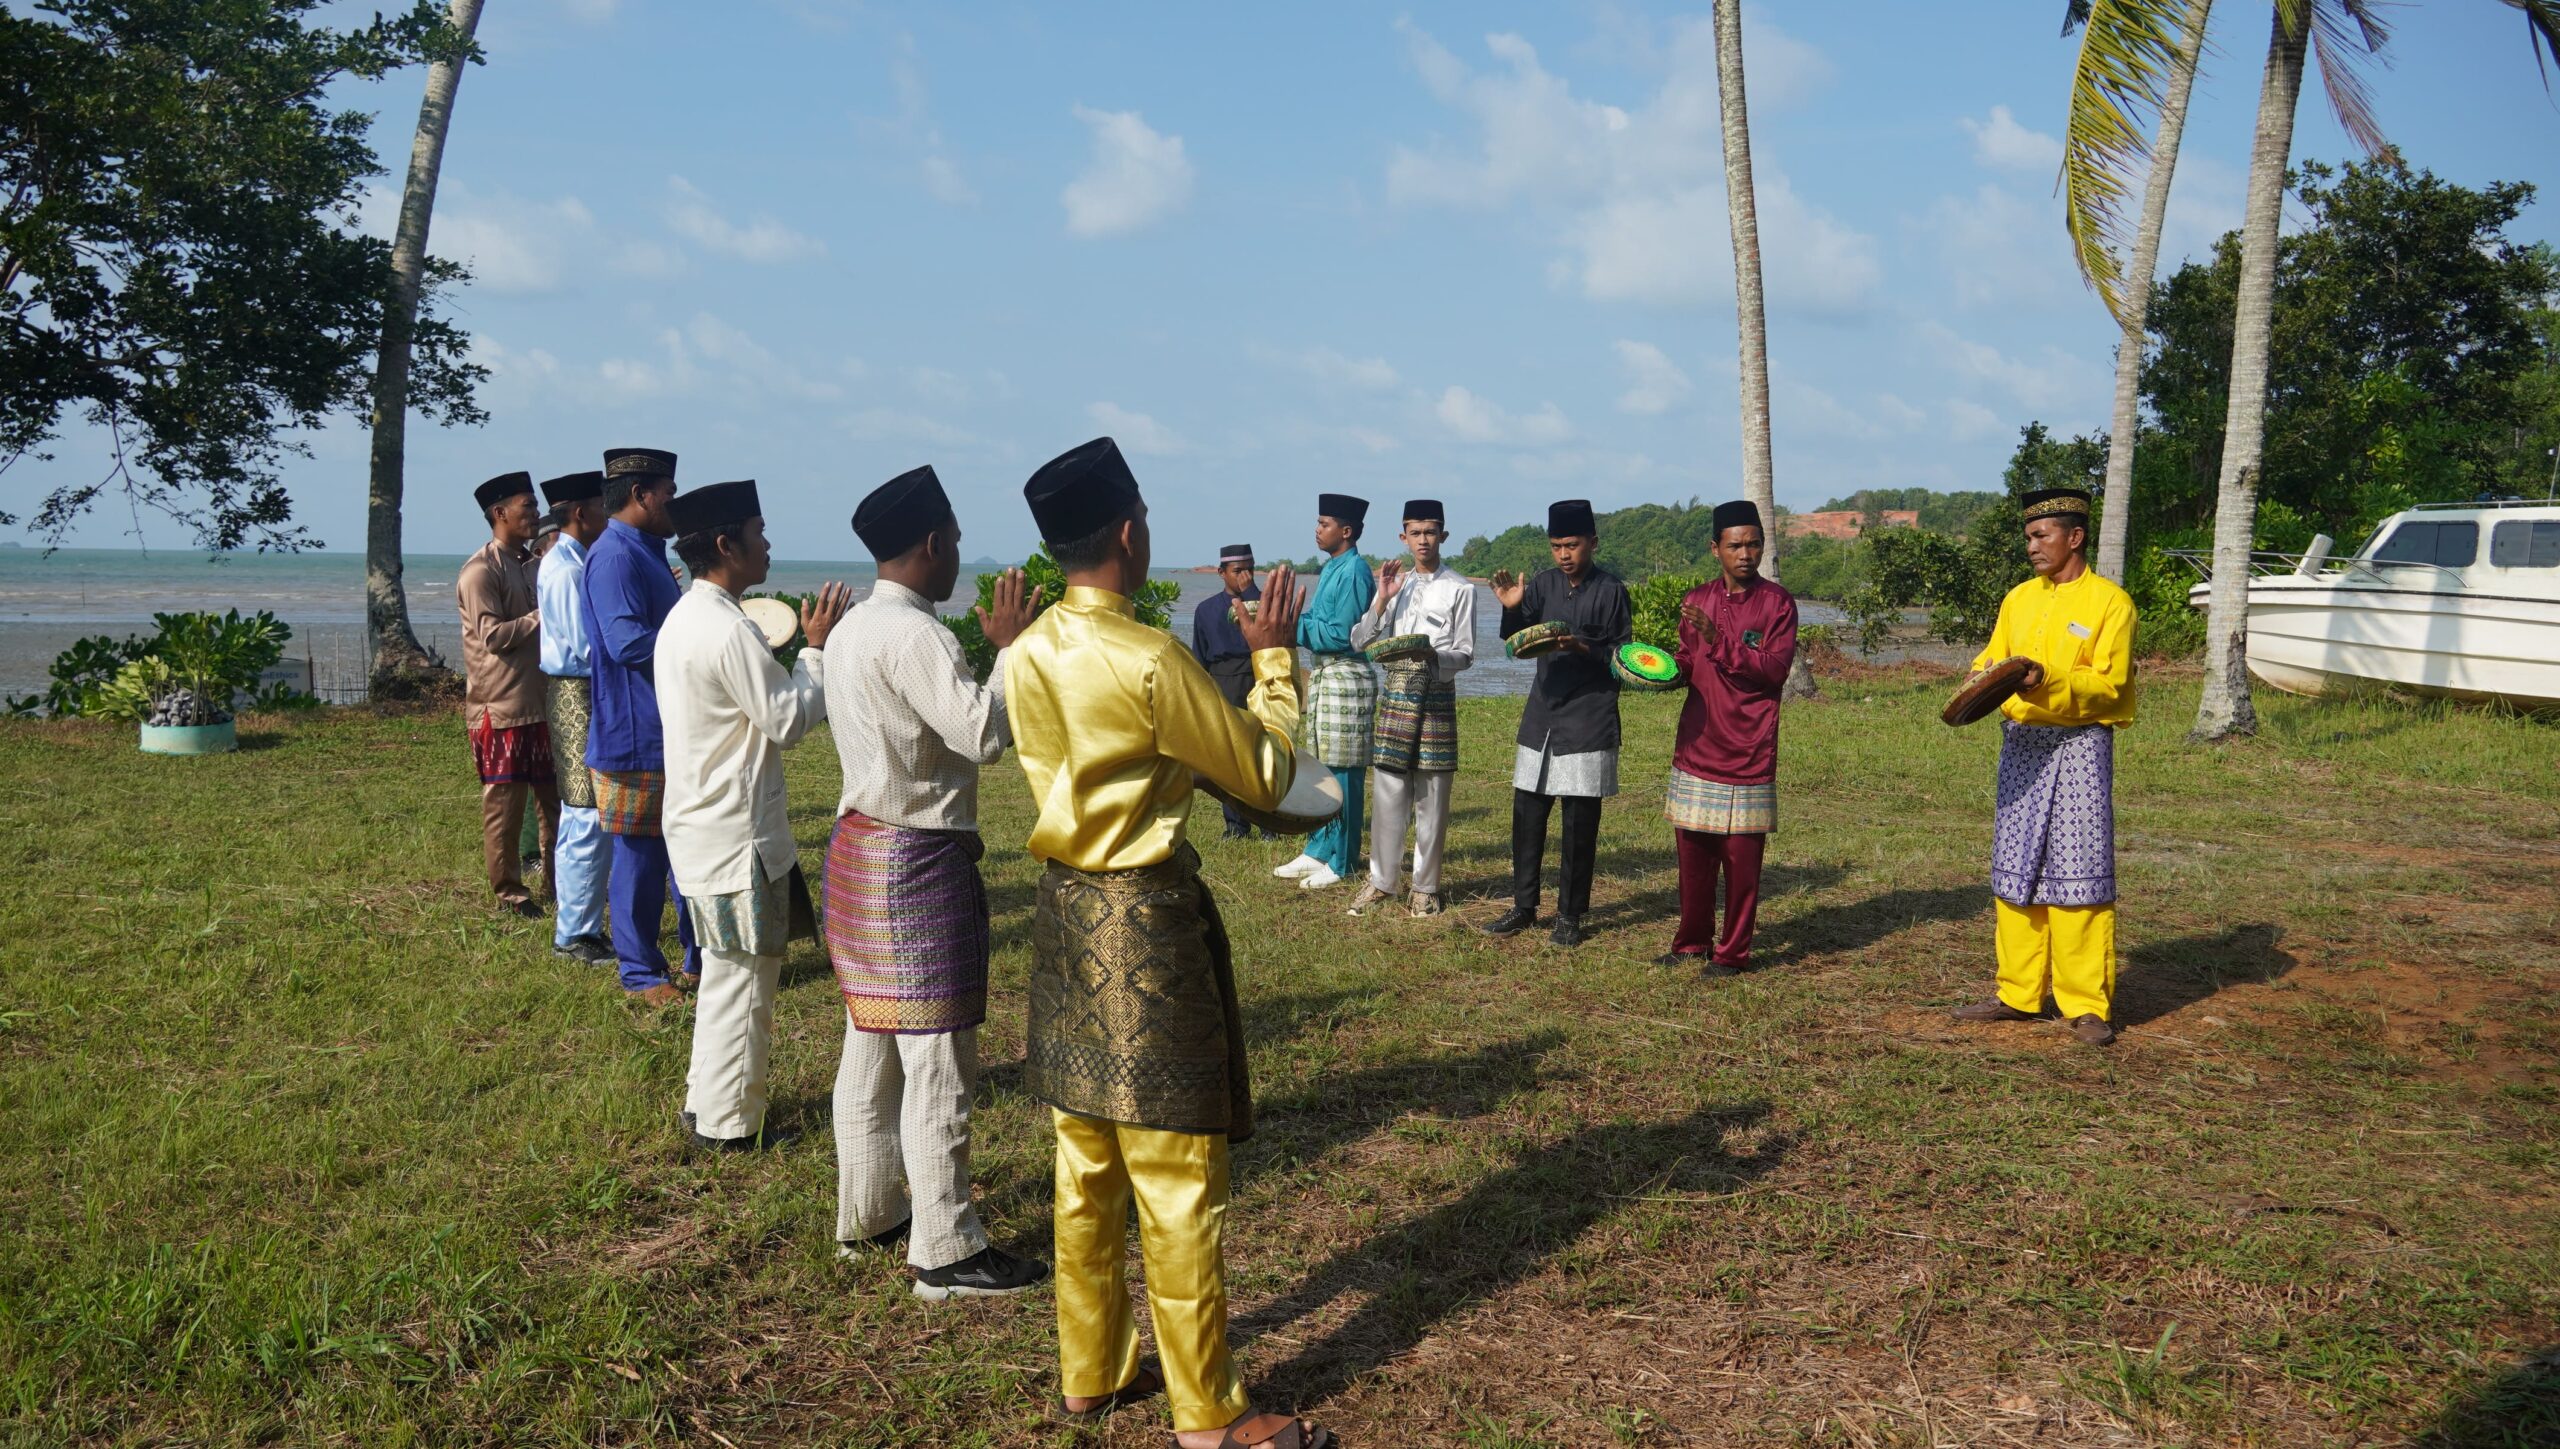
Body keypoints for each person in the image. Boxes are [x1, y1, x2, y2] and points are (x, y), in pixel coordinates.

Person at [1007, 437, 1333, 1449]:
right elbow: (1268, 776)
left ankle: (1090, 1370)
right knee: (1177, 1181)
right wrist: (1274, 661)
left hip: (1063, 916)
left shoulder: (1024, 651)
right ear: (1127, 531)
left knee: (1084, 1162)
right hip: (1143, 923)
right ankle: (1206, 1415)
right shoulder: (1149, 658)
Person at [825, 464, 1051, 1298]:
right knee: (939, 1057)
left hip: (859, 853)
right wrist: (1010, 649)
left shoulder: (851, 627)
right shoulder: (920, 634)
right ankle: (946, 1247)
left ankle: (871, 1212)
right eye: (954, 537)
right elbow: (980, 731)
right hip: (915, 858)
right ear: (930, 543)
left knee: (872, 1044)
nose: (959, 551)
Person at [657, 480, 850, 1149]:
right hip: (736, 833)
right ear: (724, 543)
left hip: (701, 825)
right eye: (759, 531)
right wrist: (817, 649)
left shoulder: (686, 616)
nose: (767, 544)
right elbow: (789, 718)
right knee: (746, 983)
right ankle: (730, 1125)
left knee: (724, 972)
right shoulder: (727, 628)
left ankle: (705, 1103)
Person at [1950, 487, 2137, 1047]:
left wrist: (2046, 680)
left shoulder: (2110, 604)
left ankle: (2085, 1006)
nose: (2032, 546)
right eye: (2028, 537)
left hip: (2080, 745)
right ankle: (2018, 994)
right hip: (2023, 745)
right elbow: (1991, 660)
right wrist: (1983, 677)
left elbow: (2111, 686)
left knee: (2078, 872)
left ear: (2074, 537)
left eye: (2042, 536)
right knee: (2016, 867)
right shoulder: (2018, 600)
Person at [1481, 500, 1632, 946]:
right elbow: (1514, 641)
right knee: (1527, 814)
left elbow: (1623, 658)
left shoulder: (1611, 590)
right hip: (1542, 715)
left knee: (1579, 823)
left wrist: (1583, 647)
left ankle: (1570, 915)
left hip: (1588, 717)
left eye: (1572, 545)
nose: (1564, 554)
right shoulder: (1543, 585)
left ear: (1592, 543)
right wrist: (1511, 608)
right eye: (1556, 546)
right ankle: (1524, 906)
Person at [582, 446, 701, 1006]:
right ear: (642, 495)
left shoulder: (645, 551)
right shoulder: (614, 558)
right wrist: (700, 643)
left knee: (683, 853)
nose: (675, 505)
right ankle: (640, 973)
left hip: (664, 728)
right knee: (639, 859)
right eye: (670, 494)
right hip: (635, 734)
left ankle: (696, 958)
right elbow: (626, 641)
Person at [1658, 501, 1798, 977]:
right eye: (1735, 545)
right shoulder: (1696, 600)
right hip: (1698, 744)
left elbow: (1774, 671)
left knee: (1741, 865)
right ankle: (1691, 943)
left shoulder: (1777, 604)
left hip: (1748, 748)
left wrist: (1720, 641)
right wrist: (1658, 670)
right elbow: (1684, 659)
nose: (1745, 554)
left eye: (1753, 544)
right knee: (1693, 858)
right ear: (1714, 548)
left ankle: (1733, 953)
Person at [1348, 498, 1475, 918]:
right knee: (1388, 793)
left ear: (1443, 536)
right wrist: (1382, 599)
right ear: (1403, 537)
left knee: (1433, 797)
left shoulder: (1460, 588)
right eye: (1415, 533)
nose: (1423, 540)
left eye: (1430, 532)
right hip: (1397, 692)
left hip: (1437, 696)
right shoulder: (1393, 585)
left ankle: (1425, 887)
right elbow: (1360, 641)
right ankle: (1382, 882)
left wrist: (1435, 660)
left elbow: (1466, 653)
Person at [456, 471, 560, 919]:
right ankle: (511, 894)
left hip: (542, 703)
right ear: (499, 514)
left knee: (556, 804)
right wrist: (546, 612)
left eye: (535, 506)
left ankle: (560, 885)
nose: (535, 513)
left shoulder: (532, 564)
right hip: (500, 708)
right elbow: (493, 637)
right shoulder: (480, 571)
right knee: (504, 809)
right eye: (527, 506)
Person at [1273, 495, 1373, 889]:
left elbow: (1339, 634)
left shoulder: (1354, 572)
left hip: (1346, 676)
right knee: (1322, 765)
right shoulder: (1332, 567)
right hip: (1326, 677)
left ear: (1345, 531)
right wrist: (1295, 620)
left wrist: (1288, 627)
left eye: (1324, 523)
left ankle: (1344, 860)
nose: (1317, 529)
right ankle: (1319, 848)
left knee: (1345, 771)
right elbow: (1317, 619)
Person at [537, 472, 615, 966]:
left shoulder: (576, 561)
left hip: (584, 692)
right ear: (582, 514)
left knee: (589, 812)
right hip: (576, 694)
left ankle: (582, 923)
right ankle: (576, 931)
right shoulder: (565, 570)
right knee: (585, 813)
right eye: (601, 509)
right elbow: (584, 648)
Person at [1191, 544, 1265, 840]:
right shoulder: (1206, 609)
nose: (1245, 576)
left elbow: (1274, 634)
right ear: (1222, 573)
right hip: (1224, 680)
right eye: (1238, 571)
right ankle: (1236, 825)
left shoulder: (1263, 602)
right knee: (1230, 756)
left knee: (1263, 752)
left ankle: (1270, 823)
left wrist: (1251, 596)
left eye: (1250, 569)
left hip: (1259, 674)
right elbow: (1200, 658)